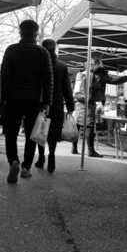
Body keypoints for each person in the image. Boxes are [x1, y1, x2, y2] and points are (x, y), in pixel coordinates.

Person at [0, 20, 53, 184]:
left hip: (13, 99)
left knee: (11, 133)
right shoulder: (43, 52)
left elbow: (4, 77)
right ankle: (26, 168)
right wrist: (47, 102)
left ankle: (13, 161)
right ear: (36, 34)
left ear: (20, 32)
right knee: (32, 134)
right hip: (34, 100)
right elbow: (48, 80)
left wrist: (3, 101)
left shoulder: (11, 50)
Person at [72, 57, 127, 157]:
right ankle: (91, 151)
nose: (102, 66)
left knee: (78, 125)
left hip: (79, 102)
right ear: (96, 64)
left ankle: (74, 148)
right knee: (89, 126)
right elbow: (113, 79)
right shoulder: (99, 75)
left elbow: (76, 90)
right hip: (89, 102)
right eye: (100, 64)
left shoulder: (81, 73)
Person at [35, 39, 74, 173]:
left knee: (40, 131)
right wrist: (70, 106)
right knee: (52, 133)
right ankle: (51, 156)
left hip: (40, 104)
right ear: (55, 49)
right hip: (56, 104)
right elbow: (67, 89)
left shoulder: (38, 64)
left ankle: (41, 158)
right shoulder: (62, 66)